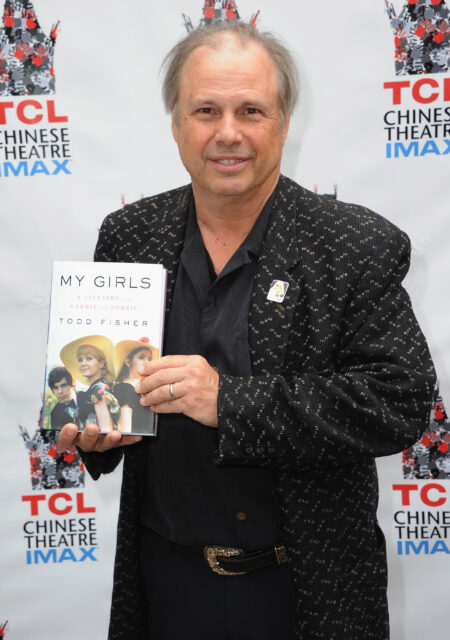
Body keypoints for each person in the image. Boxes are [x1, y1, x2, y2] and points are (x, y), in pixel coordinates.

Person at [59, 21, 436, 640]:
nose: (227, 133)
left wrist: (228, 401)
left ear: (284, 123)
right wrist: (97, 436)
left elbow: (399, 402)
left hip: (306, 592)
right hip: (164, 581)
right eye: (205, 110)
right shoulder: (129, 235)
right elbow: (102, 392)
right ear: (176, 124)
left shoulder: (355, 244)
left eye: (251, 111)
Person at [60, 335, 120, 433]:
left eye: (89, 358)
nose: (83, 363)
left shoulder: (98, 389)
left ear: (102, 363)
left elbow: (106, 429)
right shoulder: (100, 387)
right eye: (80, 359)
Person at [113, 338, 157, 435]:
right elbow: (125, 430)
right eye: (141, 357)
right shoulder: (122, 388)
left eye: (149, 359)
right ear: (128, 362)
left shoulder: (151, 387)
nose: (147, 362)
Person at [47, 366, 78, 430]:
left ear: (72, 383)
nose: (60, 391)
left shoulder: (87, 399)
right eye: (56, 388)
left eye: (63, 385)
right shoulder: (55, 413)